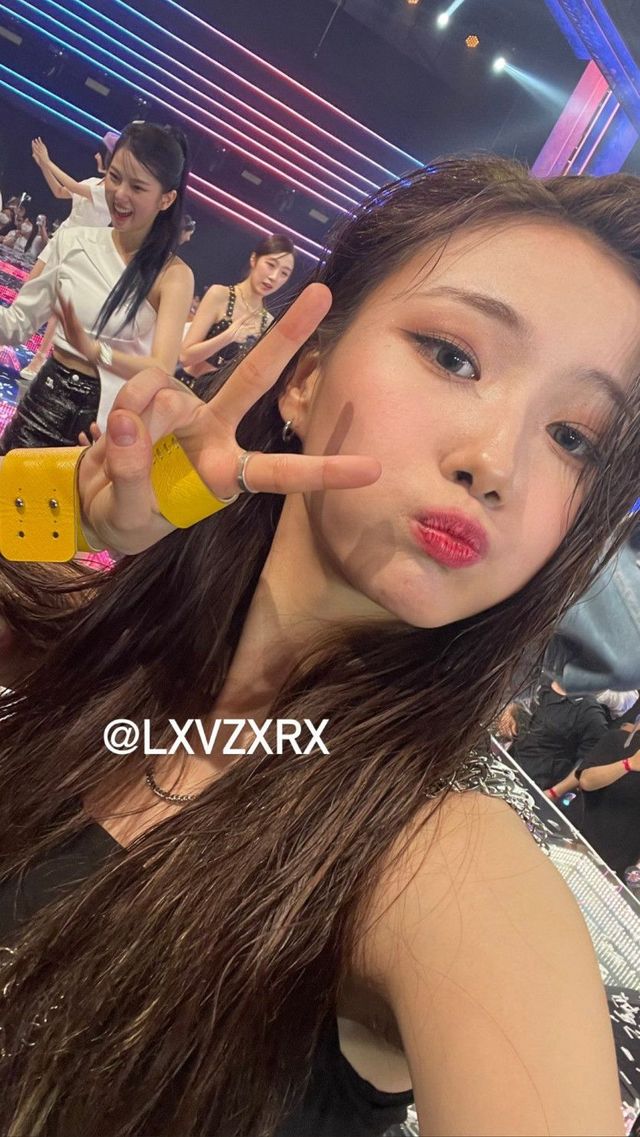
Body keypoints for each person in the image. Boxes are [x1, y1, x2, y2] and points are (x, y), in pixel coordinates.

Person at [0, 156, 639, 1137]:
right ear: (303, 379)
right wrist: (74, 507)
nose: (495, 463)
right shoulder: (94, 652)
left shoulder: (446, 870)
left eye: (574, 438)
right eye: (453, 356)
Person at [0, 121, 193, 450]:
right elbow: (17, 325)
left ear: (166, 199)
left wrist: (95, 351)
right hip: (41, 406)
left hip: (103, 429)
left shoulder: (173, 275)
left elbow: (161, 368)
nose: (120, 194)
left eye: (137, 187)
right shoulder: (74, 242)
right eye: (114, 177)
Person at [177, 232, 294, 385]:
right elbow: (185, 356)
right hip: (184, 386)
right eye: (271, 265)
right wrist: (228, 336)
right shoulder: (220, 295)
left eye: (284, 273)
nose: (274, 277)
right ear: (254, 259)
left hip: (217, 397)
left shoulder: (268, 323)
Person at [561, 720, 640, 879]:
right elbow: (586, 780)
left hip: (611, 867)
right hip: (573, 838)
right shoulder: (618, 741)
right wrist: (628, 764)